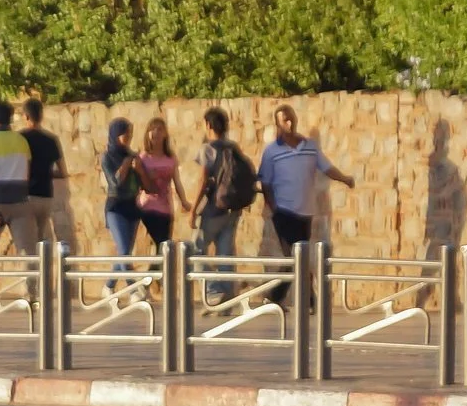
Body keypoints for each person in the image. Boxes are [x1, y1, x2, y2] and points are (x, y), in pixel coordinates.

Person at [261, 104, 353, 260]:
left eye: (291, 119)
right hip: (284, 211)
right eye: (285, 121)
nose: (289, 123)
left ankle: (292, 276)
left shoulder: (310, 146)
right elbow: (266, 182)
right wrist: (274, 208)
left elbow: (327, 168)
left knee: (300, 257)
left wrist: (345, 179)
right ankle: (293, 275)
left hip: (305, 213)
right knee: (292, 255)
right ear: (278, 124)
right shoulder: (272, 151)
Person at [193, 108, 254, 304]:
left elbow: (203, 181)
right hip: (233, 209)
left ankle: (213, 290)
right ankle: (226, 300)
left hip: (214, 209)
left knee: (195, 250)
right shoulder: (233, 147)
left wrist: (193, 209)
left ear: (208, 125)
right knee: (225, 253)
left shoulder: (207, 149)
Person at [18, 98, 70, 251]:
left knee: (27, 241)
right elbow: (63, 172)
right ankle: (42, 266)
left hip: (26, 195)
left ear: (26, 116)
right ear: (41, 116)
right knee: (40, 239)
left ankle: (31, 267)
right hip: (46, 195)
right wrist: (47, 173)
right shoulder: (51, 140)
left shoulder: (20, 138)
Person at [0, 100, 34, 253]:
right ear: (10, 119)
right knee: (26, 253)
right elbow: (27, 172)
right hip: (20, 202)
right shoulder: (22, 142)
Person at [134, 117, 188, 253]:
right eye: (152, 129)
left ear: (165, 134)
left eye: (159, 129)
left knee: (164, 248)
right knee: (162, 245)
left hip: (166, 209)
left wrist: (184, 201)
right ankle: (157, 267)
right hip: (148, 208)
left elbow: (177, 182)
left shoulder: (170, 158)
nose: (155, 133)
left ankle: (156, 267)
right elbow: (137, 183)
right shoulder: (143, 158)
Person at [100, 119, 143, 260]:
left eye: (130, 133)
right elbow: (115, 182)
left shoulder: (132, 156)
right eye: (125, 133)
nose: (129, 137)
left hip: (132, 207)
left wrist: (140, 169)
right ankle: (129, 275)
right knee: (124, 252)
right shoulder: (107, 157)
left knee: (125, 253)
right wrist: (125, 164)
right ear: (116, 135)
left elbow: (142, 184)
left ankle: (114, 276)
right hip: (116, 207)